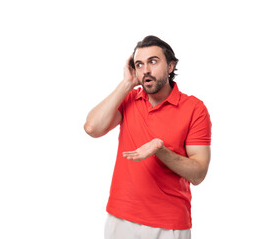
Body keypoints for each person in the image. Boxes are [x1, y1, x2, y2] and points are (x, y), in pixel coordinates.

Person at [84, 35, 212, 239]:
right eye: (139, 64)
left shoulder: (194, 108)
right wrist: (127, 83)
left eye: (153, 61)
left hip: (169, 225)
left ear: (170, 66)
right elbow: (92, 128)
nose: (146, 70)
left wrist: (160, 151)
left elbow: (198, 174)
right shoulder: (129, 98)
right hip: (121, 219)